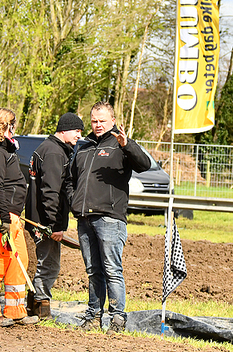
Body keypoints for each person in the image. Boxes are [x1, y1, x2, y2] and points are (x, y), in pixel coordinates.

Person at [70, 101, 151, 334]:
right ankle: (93, 315)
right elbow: (71, 179)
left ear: (112, 121)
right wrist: (74, 201)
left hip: (109, 218)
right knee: (93, 270)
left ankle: (118, 318)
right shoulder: (83, 146)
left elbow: (145, 164)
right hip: (84, 218)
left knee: (112, 269)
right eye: (94, 121)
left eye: (102, 121)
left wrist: (128, 146)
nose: (97, 125)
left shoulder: (120, 145)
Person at [0, 108, 39, 327]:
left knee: (19, 260)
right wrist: (3, 220)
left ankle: (15, 310)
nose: (16, 130)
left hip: (12, 216)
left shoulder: (6, 150)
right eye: (13, 126)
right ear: (6, 126)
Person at [24, 112, 84, 319]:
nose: (79, 135)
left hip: (39, 219)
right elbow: (50, 192)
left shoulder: (49, 148)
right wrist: (54, 225)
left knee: (46, 261)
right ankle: (41, 307)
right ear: (65, 129)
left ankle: (32, 303)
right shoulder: (54, 154)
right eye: (77, 131)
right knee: (49, 264)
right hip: (45, 222)